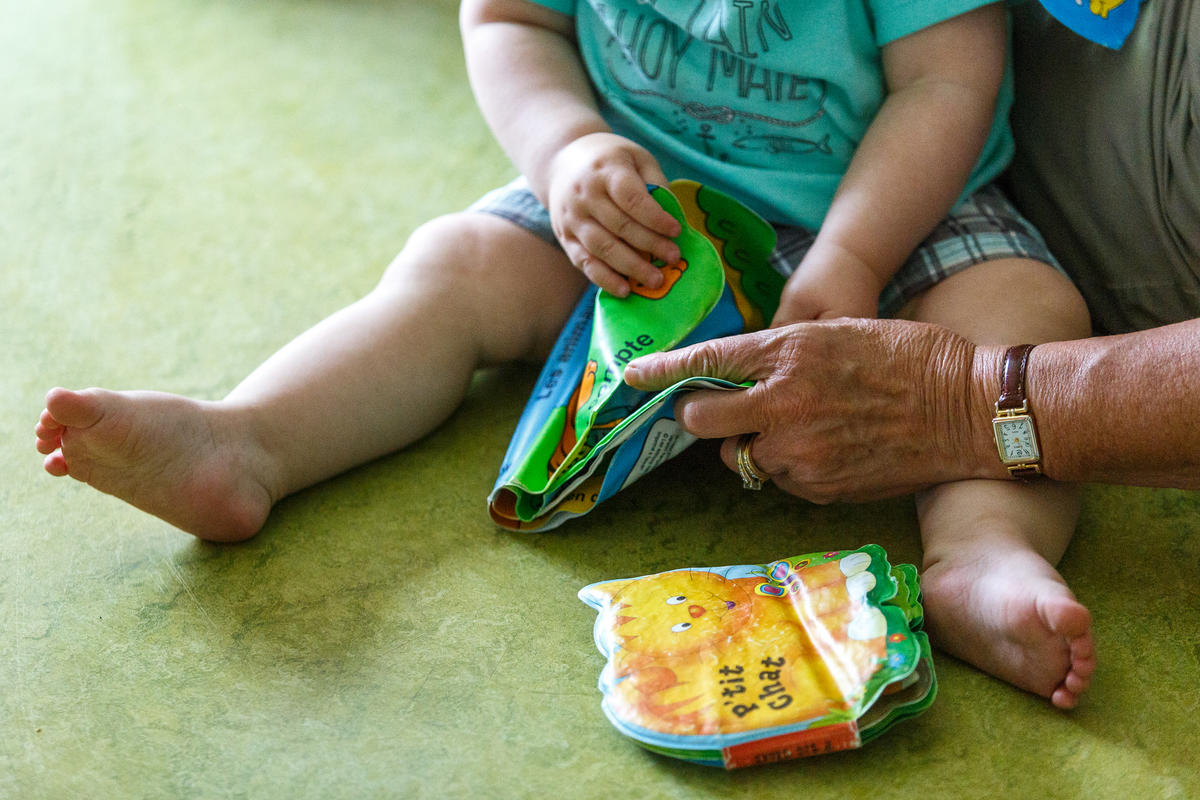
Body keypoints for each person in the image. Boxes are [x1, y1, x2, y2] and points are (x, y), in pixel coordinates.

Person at [34, 0, 1094, 709]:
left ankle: (981, 551)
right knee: (455, 266)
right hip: (636, 212)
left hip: (888, 213)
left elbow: (943, 88)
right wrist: (564, 149)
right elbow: (507, 18)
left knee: (1023, 309)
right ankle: (251, 438)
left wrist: (854, 257)